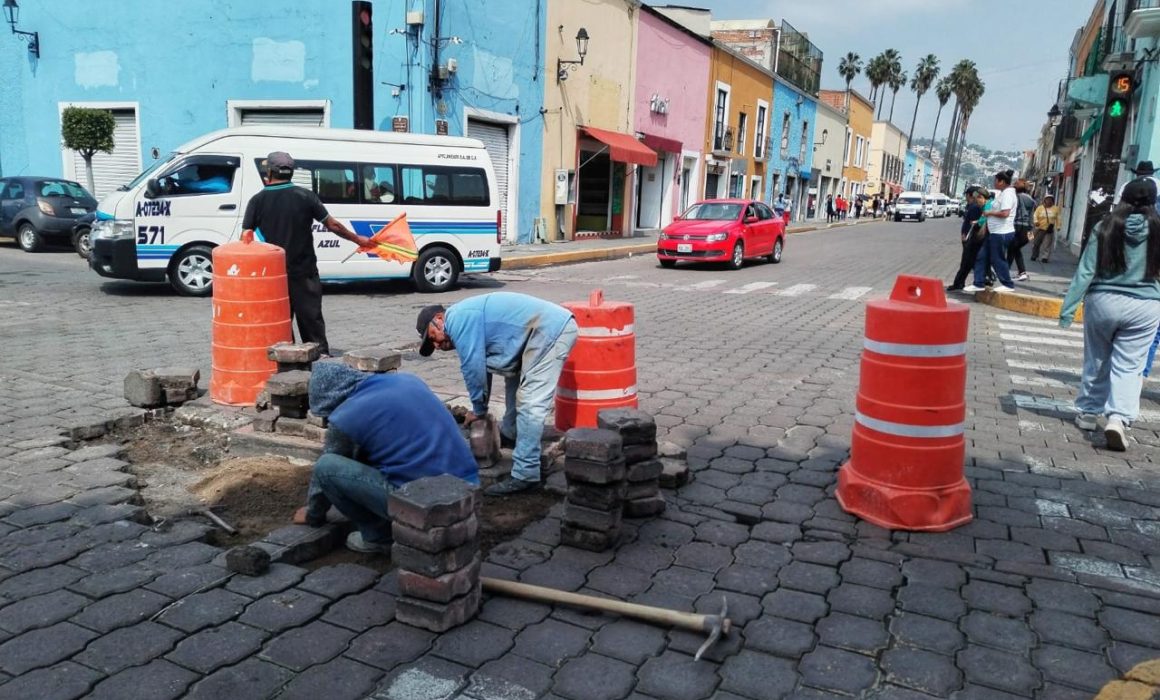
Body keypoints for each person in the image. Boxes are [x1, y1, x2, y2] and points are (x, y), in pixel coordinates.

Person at [293, 362, 479, 552]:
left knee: (326, 467)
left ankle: (379, 536)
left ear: (332, 400)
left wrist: (312, 514)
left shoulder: (347, 416)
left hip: (429, 505)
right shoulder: (407, 380)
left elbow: (325, 470)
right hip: (467, 491)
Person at [417, 292, 579, 495]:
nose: (438, 346)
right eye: (433, 346)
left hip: (551, 330)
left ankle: (525, 474)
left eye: (433, 338)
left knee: (530, 403)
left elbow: (473, 369)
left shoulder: (458, 319)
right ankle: (511, 434)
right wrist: (481, 408)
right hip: (535, 332)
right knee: (513, 380)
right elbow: (483, 367)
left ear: (439, 319)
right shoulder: (465, 319)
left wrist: (479, 410)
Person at [1059, 178, 1160, 451]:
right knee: (1131, 365)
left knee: (1098, 359)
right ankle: (1118, 418)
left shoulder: (1105, 226)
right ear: (1153, 202)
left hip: (1103, 301)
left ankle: (1089, 413)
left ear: (1123, 198)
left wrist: (1068, 309)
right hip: (1146, 306)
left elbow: (1086, 270)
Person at [242, 152, 373, 356]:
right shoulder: (305, 196)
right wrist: (358, 239)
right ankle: (321, 362)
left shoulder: (257, 200)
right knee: (312, 322)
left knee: (280, 325)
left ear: (269, 172)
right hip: (304, 272)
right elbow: (333, 225)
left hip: (274, 276)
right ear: (291, 172)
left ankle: (287, 367)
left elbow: (246, 239)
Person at [965, 170, 1018, 293]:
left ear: (1002, 181)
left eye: (996, 180)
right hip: (994, 232)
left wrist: (989, 213)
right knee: (982, 257)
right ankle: (978, 283)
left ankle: (1007, 284)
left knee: (997, 259)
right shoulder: (1003, 193)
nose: (994, 183)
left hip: (1001, 232)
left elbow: (1005, 213)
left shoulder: (1008, 195)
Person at [948, 188, 991, 291]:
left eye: (967, 195)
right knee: (970, 262)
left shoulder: (976, 207)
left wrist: (966, 234)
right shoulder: (973, 206)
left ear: (970, 195)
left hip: (973, 238)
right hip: (972, 238)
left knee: (968, 262)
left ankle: (960, 283)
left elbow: (974, 224)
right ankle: (961, 282)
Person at [1006, 179, 1036, 282]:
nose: (1014, 185)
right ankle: (1022, 272)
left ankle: (1006, 271)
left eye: (1015, 184)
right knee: (1015, 248)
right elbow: (1032, 216)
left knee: (1012, 248)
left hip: (1017, 226)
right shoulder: (1031, 200)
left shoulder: (1016, 197)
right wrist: (1031, 231)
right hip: (1027, 227)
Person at [1030, 194, 1060, 263]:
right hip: (1039, 228)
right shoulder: (1040, 208)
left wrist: (1058, 226)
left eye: (1050, 200)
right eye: (1047, 199)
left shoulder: (1056, 209)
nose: (1049, 201)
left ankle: (1045, 257)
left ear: (1053, 201)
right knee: (1035, 242)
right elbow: (1035, 215)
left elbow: (1058, 218)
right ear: (1044, 200)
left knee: (1047, 244)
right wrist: (1036, 221)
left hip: (1049, 229)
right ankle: (1034, 255)